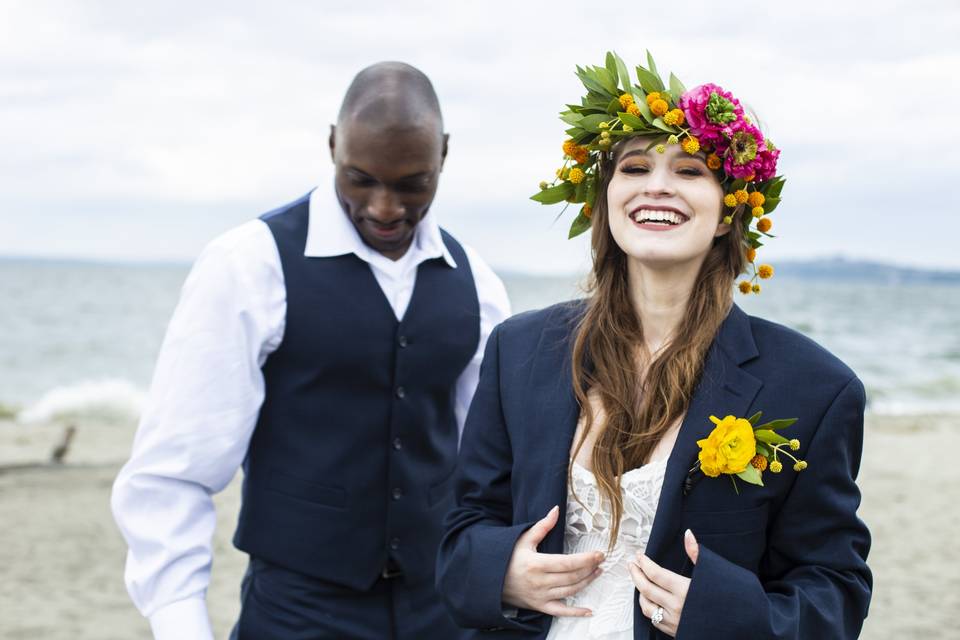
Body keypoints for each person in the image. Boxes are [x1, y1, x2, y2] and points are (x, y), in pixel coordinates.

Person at [437, 52, 871, 639]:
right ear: (607, 195)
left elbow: (834, 590)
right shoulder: (518, 350)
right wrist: (502, 573)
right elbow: (461, 531)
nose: (658, 186)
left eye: (691, 171)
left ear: (727, 212)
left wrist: (722, 615)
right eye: (635, 168)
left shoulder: (817, 387)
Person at [111, 61, 511, 640]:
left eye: (411, 185)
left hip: (441, 610)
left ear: (443, 156)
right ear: (332, 145)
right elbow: (176, 471)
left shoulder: (478, 283)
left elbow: (488, 470)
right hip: (298, 613)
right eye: (361, 178)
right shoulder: (248, 265)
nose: (383, 207)